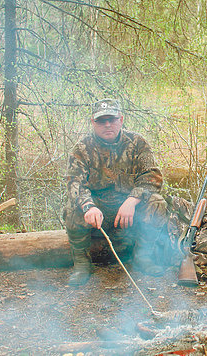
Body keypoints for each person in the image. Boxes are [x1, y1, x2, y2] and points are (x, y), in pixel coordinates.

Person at [64, 98, 169, 286]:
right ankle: (81, 263)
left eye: (111, 119)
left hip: (128, 208)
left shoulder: (137, 143)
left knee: (157, 202)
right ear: (93, 122)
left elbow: (152, 176)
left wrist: (132, 200)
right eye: (101, 120)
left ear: (121, 120)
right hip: (98, 208)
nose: (107, 125)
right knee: (72, 206)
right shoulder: (82, 148)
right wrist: (89, 207)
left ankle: (143, 257)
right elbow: (74, 183)